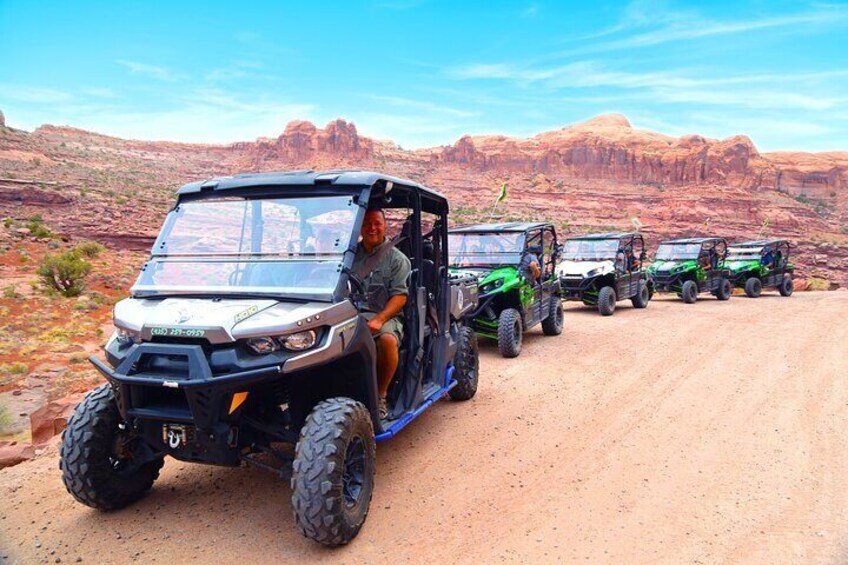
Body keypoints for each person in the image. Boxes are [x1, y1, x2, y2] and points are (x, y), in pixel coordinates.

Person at [352, 207, 411, 419]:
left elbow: (400, 297)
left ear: (385, 226)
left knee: (387, 339)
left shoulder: (397, 259)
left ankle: (380, 396)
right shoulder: (350, 256)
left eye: (377, 223)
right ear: (359, 227)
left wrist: (380, 318)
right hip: (352, 314)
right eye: (367, 223)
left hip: (385, 316)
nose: (372, 228)